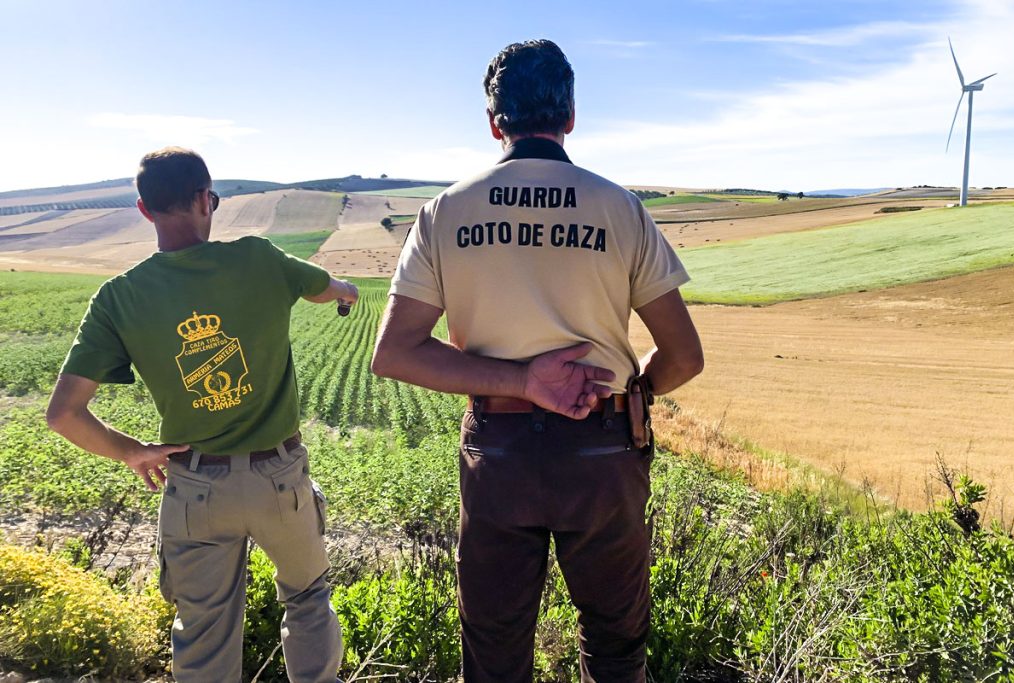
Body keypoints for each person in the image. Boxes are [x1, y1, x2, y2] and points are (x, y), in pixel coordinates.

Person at [372, 39, 704, 683]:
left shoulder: (446, 212)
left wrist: (522, 381)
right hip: (604, 450)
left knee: (494, 652)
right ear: (571, 116)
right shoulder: (621, 208)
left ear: (495, 122)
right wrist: (634, 397)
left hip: (498, 454)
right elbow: (684, 356)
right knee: (615, 647)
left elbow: (395, 353)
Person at [46, 147, 356, 682]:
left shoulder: (118, 298)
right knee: (307, 599)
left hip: (193, 488)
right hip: (278, 480)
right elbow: (329, 287)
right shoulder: (260, 259)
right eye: (211, 198)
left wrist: (130, 451)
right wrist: (348, 293)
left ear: (145, 211)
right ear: (202, 199)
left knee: (204, 630)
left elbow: (64, 415)